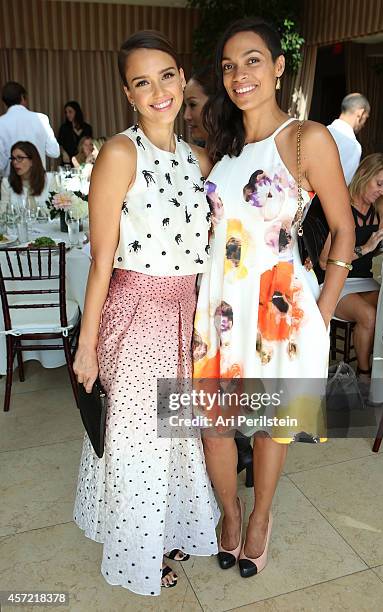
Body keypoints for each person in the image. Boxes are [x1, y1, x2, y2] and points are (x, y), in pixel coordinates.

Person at [193, 17, 355, 578]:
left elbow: (343, 229)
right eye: (230, 66)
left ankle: (260, 517)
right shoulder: (227, 148)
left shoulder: (306, 138)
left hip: (275, 309)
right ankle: (229, 513)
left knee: (268, 421)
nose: (240, 75)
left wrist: (324, 311)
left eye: (253, 60)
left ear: (280, 66)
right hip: (215, 306)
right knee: (214, 422)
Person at [72, 30, 219, 596]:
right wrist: (88, 346)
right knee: (138, 441)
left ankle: (168, 528)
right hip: (135, 314)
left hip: (184, 314)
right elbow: (100, 261)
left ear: (183, 80)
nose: (158, 90)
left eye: (166, 76)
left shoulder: (199, 159)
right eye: (142, 82)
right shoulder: (118, 152)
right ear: (127, 94)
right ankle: (138, 553)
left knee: (176, 434)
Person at [184, 67, 254, 485]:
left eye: (193, 104)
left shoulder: (235, 159)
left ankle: (236, 455)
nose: (186, 113)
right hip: (193, 290)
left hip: (232, 291)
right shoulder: (190, 155)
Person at [319, 154, 383, 379]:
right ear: (364, 175)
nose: (382, 192)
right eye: (379, 184)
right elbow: (325, 261)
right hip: (336, 280)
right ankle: (364, 373)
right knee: (370, 316)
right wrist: (367, 247)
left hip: (363, 279)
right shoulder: (341, 207)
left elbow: (374, 248)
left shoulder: (379, 208)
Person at [0, 81, 60, 176]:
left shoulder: (1, 123)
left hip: (11, 185)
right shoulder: (41, 119)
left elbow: (1, 164)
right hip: (39, 183)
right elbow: (54, 152)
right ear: (23, 97)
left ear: (4, 102)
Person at [327, 93, 370, 185]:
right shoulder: (353, 145)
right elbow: (341, 185)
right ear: (360, 113)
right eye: (366, 118)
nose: (364, 124)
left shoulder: (323, 131)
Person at [1, 141, 53, 211]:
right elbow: (2, 214)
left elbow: (58, 212)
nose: (15, 162)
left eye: (19, 158)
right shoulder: (6, 183)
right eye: (13, 158)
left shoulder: (50, 179)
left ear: (32, 161)